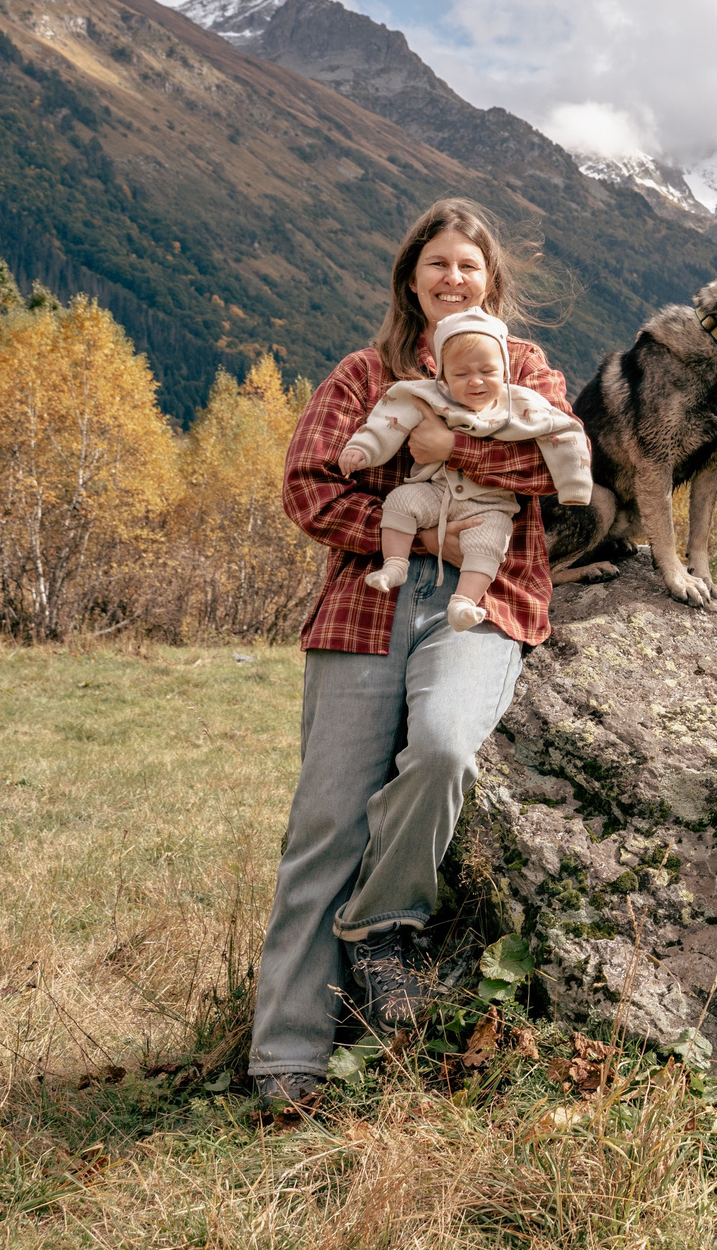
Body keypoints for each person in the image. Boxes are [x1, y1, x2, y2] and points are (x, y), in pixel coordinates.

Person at [248, 200, 578, 1114]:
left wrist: (449, 444)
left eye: (469, 267)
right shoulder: (365, 374)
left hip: (487, 602)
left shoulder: (529, 371)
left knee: (442, 747)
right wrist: (428, 531)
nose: (452, 280)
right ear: (411, 280)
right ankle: (287, 1058)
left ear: (491, 282)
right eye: (437, 265)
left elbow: (561, 468)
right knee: (325, 825)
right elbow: (308, 486)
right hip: (368, 600)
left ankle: (383, 921)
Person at [336, 307, 592, 631]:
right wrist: (364, 449)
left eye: (488, 371)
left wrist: (574, 486)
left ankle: (465, 602)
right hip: (435, 491)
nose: (476, 382)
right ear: (442, 377)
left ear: (504, 372)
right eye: (461, 374)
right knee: (400, 502)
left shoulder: (522, 404)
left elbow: (566, 433)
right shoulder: (428, 396)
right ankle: (395, 564)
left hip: (491, 504)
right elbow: (390, 418)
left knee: (489, 542)